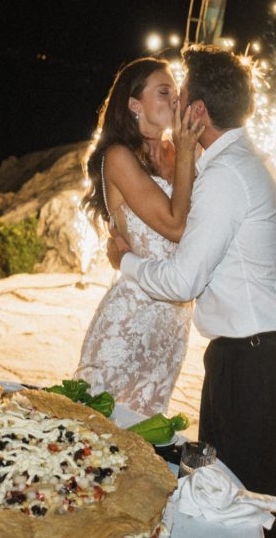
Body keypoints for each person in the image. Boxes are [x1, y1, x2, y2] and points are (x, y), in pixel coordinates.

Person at [108, 45, 276, 538]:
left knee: (241, 511)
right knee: (230, 500)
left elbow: (183, 281)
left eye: (181, 97)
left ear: (197, 112)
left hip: (251, 360)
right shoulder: (241, 161)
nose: (174, 105)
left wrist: (124, 261)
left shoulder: (225, 177)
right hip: (253, 354)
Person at [74, 57, 205, 415]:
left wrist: (186, 152)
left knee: (144, 432)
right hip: (130, 318)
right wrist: (187, 154)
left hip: (173, 325)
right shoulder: (118, 157)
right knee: (95, 424)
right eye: (163, 92)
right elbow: (176, 226)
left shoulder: (177, 153)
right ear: (134, 104)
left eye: (175, 93)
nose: (175, 100)